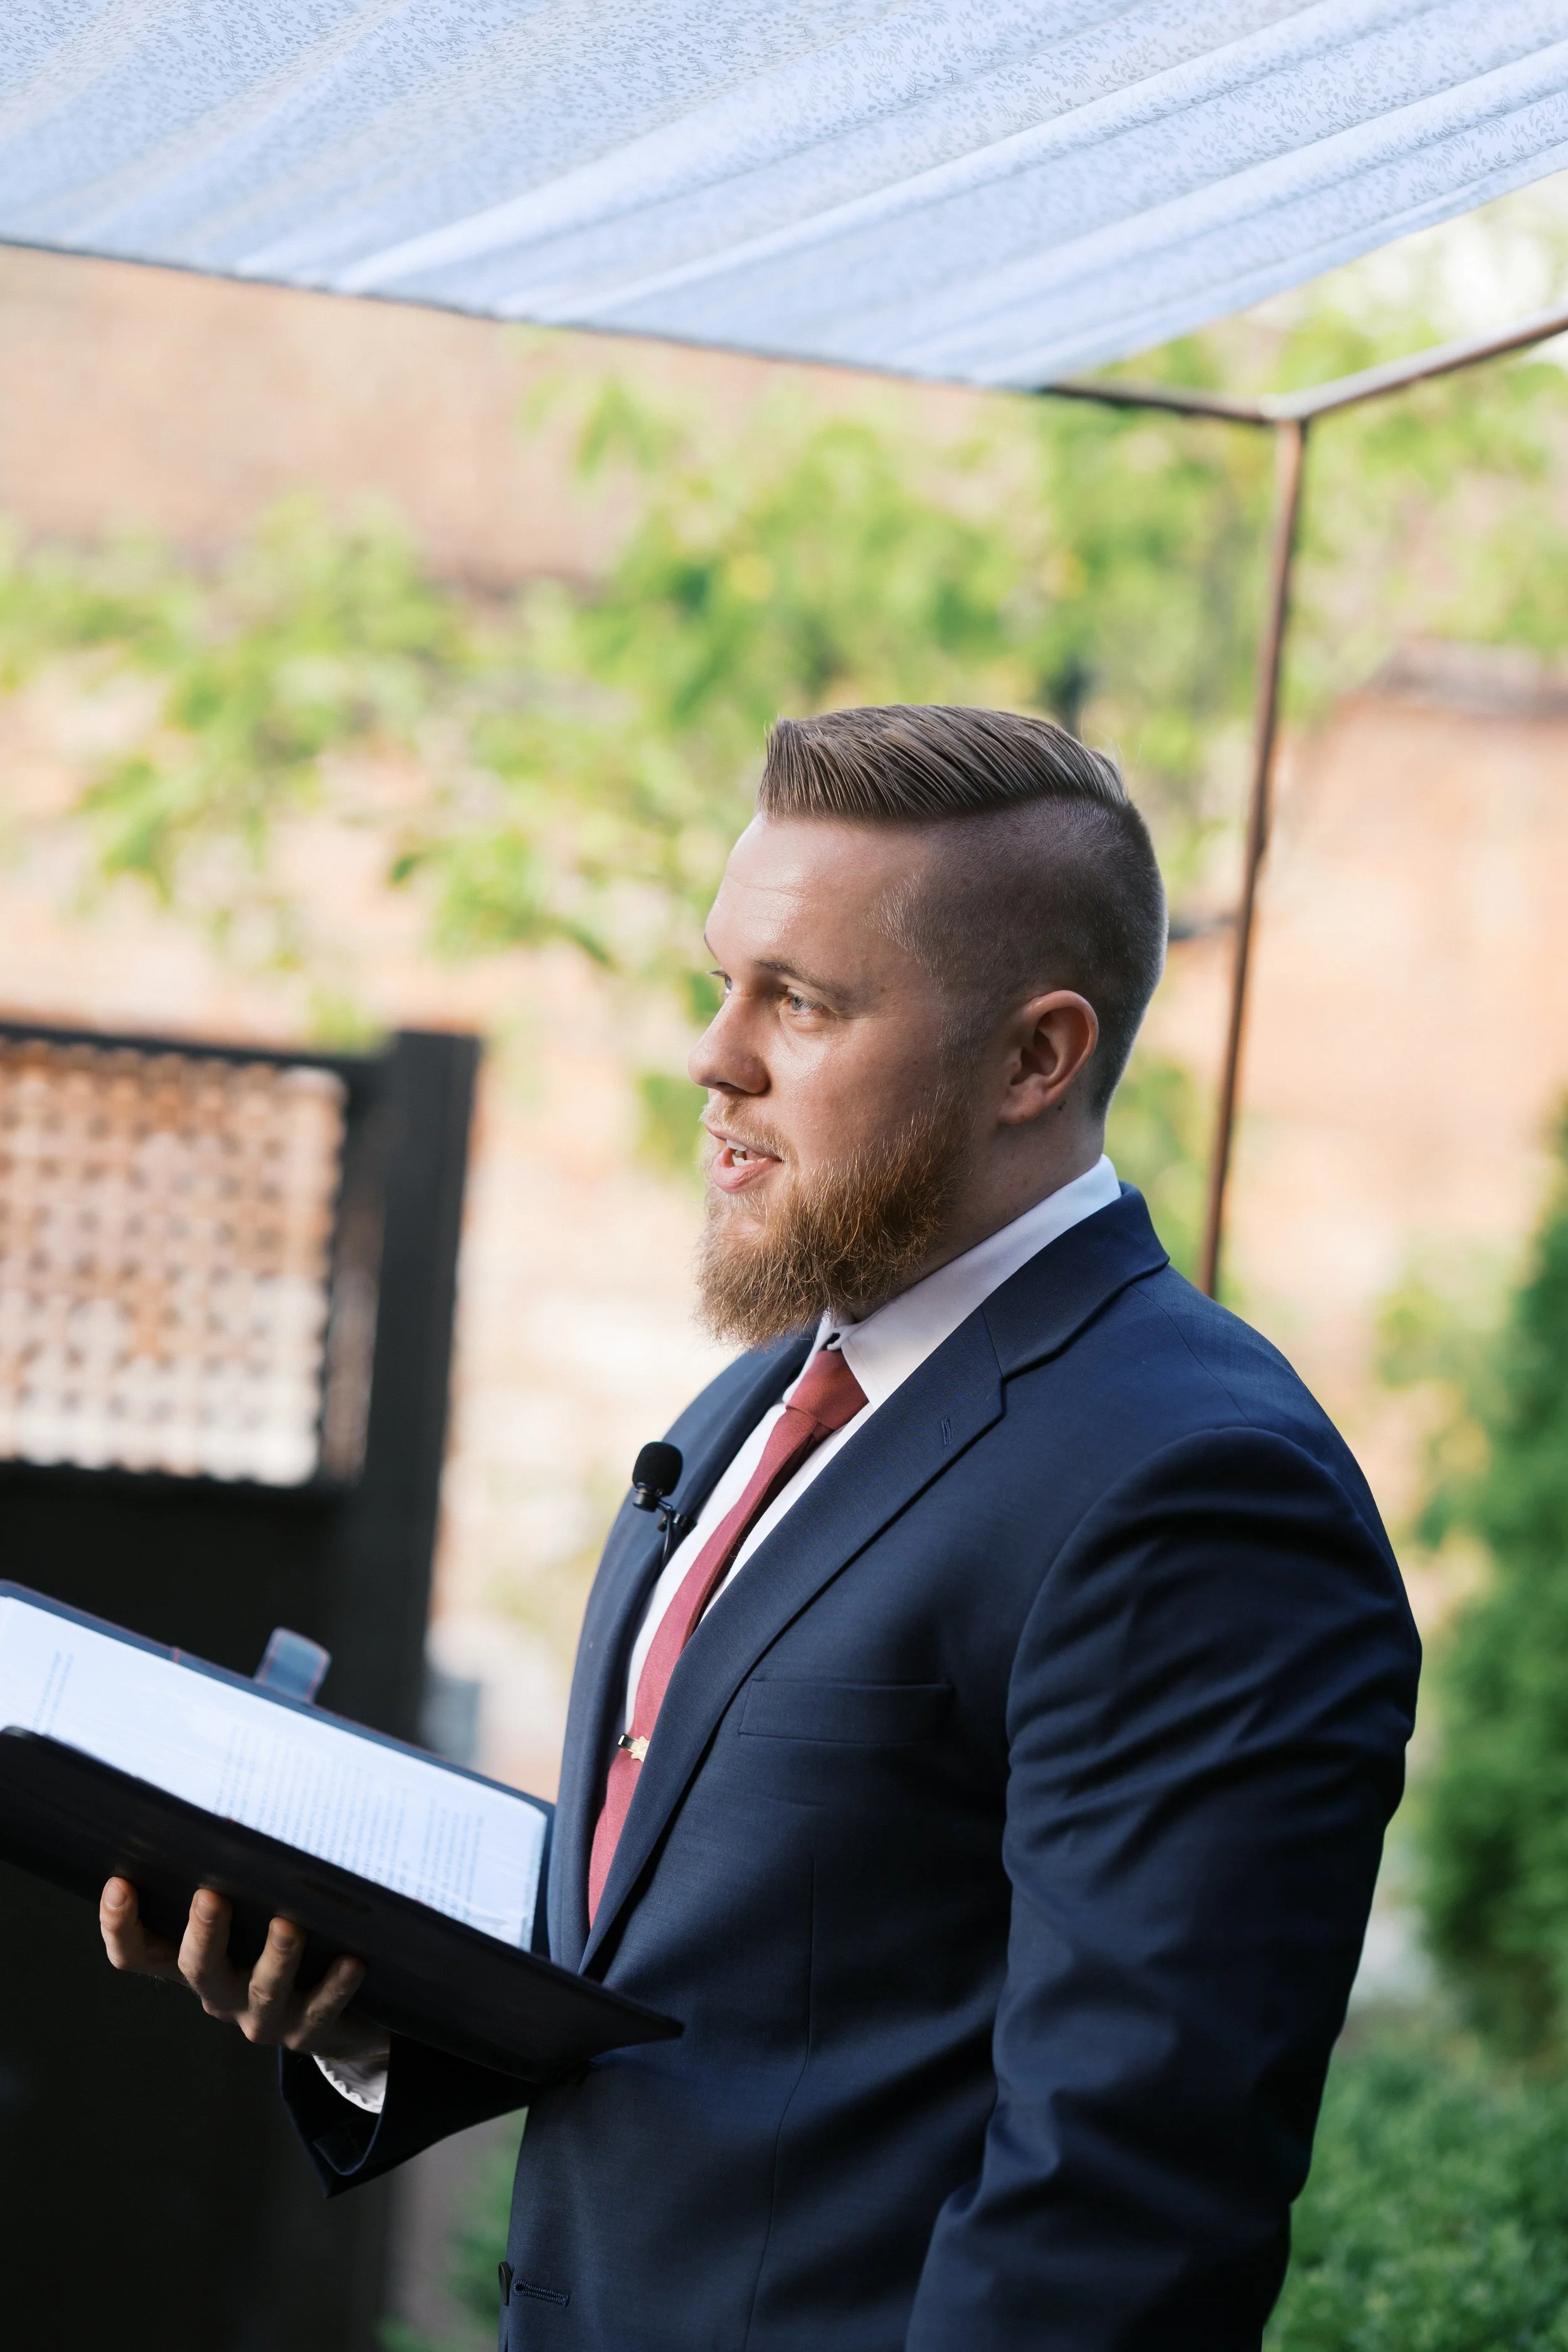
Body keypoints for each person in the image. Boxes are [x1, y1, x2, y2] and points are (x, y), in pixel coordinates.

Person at [101, 704, 1419, 2351]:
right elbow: (711, 1988)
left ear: (1035, 1055)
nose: (713, 1054)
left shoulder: (1197, 1487)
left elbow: (1123, 2205)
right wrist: (370, 2013)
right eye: (723, 980)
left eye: (799, 999)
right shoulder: (754, 1406)